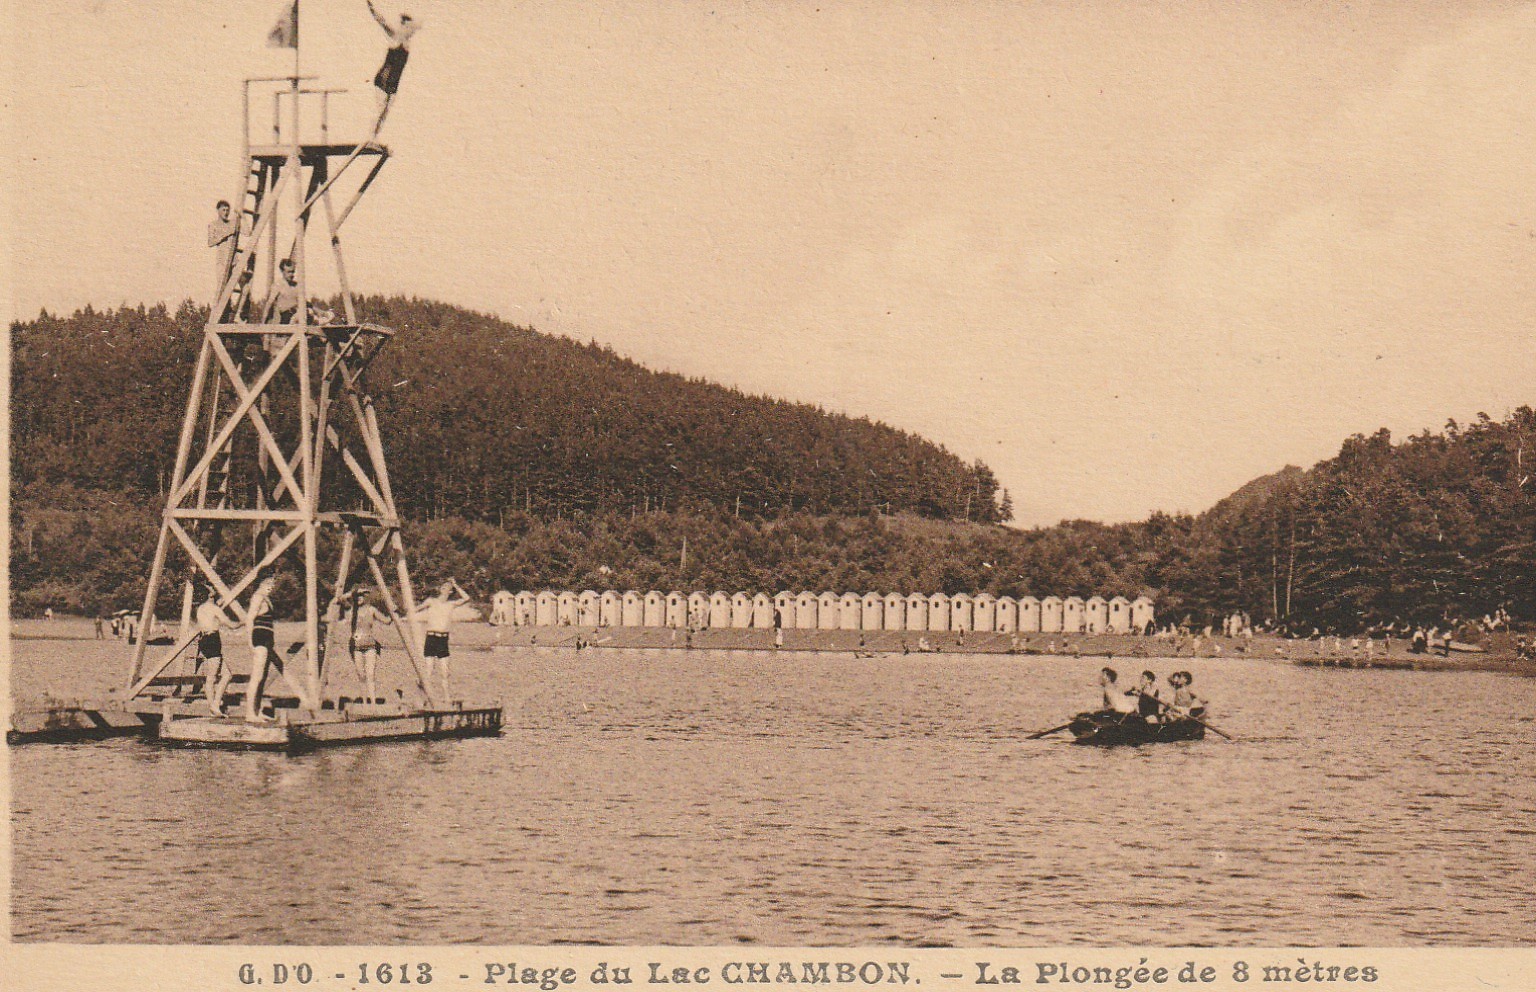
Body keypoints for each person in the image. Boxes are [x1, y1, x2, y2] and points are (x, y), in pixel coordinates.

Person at [366, 1, 422, 133]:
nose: (412, 32)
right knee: (380, 108)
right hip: (383, 78)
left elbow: (420, 24)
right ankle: (370, 136)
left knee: (386, 111)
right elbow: (381, 21)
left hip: (394, 82)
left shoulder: (407, 41)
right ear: (404, 26)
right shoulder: (395, 36)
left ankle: (374, 137)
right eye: (410, 28)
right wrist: (371, 8)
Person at [415, 579, 469, 703]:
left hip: (443, 639)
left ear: (450, 592)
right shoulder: (431, 601)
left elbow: (466, 598)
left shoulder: (451, 604)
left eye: (447, 588)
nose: (444, 589)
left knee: (445, 672)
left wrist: (455, 584)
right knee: (429, 670)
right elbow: (415, 609)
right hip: (431, 637)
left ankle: (446, 698)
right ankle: (424, 697)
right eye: (443, 587)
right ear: (440, 589)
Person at [194, 586, 237, 717]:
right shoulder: (214, 608)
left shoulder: (201, 608)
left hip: (204, 639)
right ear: (211, 595)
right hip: (212, 639)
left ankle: (215, 704)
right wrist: (245, 622)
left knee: (227, 675)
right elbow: (230, 624)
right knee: (211, 676)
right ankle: (213, 707)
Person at [242, 577, 279, 723]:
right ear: (261, 583)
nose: (271, 586)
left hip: (267, 639)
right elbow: (249, 619)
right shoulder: (257, 597)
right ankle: (250, 713)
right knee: (256, 676)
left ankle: (256, 711)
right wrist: (250, 642)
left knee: (261, 677)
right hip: (259, 638)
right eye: (268, 583)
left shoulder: (266, 598)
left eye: (273, 583)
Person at [349, 587, 389, 702]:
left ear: (366, 597)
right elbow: (341, 599)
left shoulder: (371, 610)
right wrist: (353, 592)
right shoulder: (352, 611)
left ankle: (372, 702)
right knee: (361, 675)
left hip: (370, 646)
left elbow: (386, 620)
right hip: (356, 647)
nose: (359, 598)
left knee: (370, 675)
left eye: (361, 595)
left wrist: (393, 611)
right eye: (357, 596)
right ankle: (364, 702)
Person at [207, 200, 239, 295]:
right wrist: (225, 234)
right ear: (218, 211)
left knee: (234, 285)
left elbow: (248, 232)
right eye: (223, 210)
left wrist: (241, 216)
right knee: (222, 287)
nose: (226, 213)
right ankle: (220, 308)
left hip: (234, 260)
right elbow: (210, 242)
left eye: (227, 210)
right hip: (222, 261)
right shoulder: (213, 225)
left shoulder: (232, 223)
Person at [264, 258, 301, 324]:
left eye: (293, 272)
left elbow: (306, 303)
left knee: (311, 313)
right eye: (289, 272)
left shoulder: (296, 285)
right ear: (282, 271)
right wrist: (263, 321)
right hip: (286, 317)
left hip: (299, 314)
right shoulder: (278, 285)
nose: (292, 275)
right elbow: (269, 303)